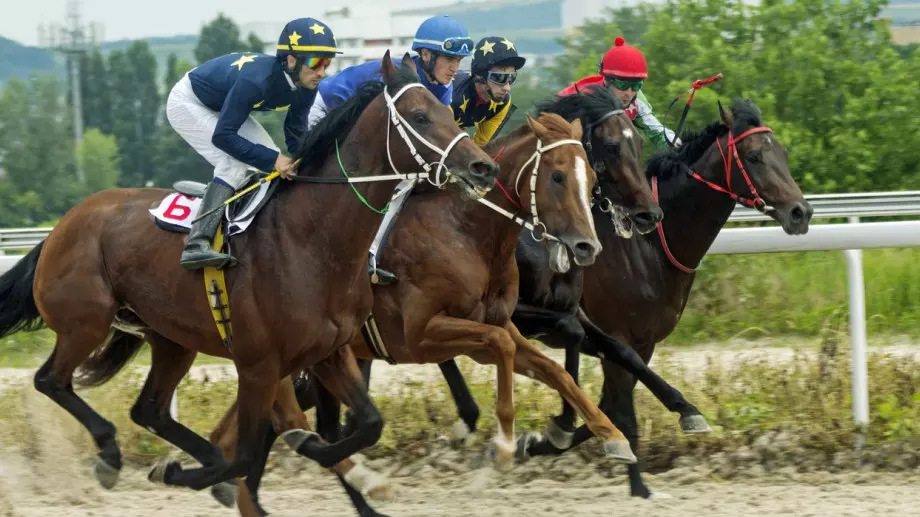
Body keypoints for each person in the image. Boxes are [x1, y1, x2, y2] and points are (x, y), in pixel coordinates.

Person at [307, 15, 474, 285]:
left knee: (406, 180)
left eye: (459, 61)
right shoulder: (394, 75)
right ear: (427, 55)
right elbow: (357, 119)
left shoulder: (443, 88)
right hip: (329, 108)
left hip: (360, 120)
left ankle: (371, 254)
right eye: (450, 59)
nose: (456, 68)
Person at [165, 17, 340, 270]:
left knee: (273, 159)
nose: (322, 71)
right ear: (291, 60)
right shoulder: (255, 81)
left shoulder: (307, 84)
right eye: (315, 62)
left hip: (222, 108)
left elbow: (295, 131)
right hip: (189, 103)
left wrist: (310, 161)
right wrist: (274, 161)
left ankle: (240, 221)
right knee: (234, 164)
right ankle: (197, 242)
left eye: (326, 62)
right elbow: (223, 136)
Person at [559, 36, 680, 150]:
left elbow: (658, 132)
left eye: (636, 85)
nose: (629, 93)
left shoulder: (637, 101)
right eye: (623, 85)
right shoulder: (584, 96)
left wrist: (682, 148)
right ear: (606, 80)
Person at [451, 36, 526, 145]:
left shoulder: (502, 103)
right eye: (500, 78)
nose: (507, 88)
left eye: (511, 78)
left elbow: (483, 146)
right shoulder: (452, 97)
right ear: (481, 75)